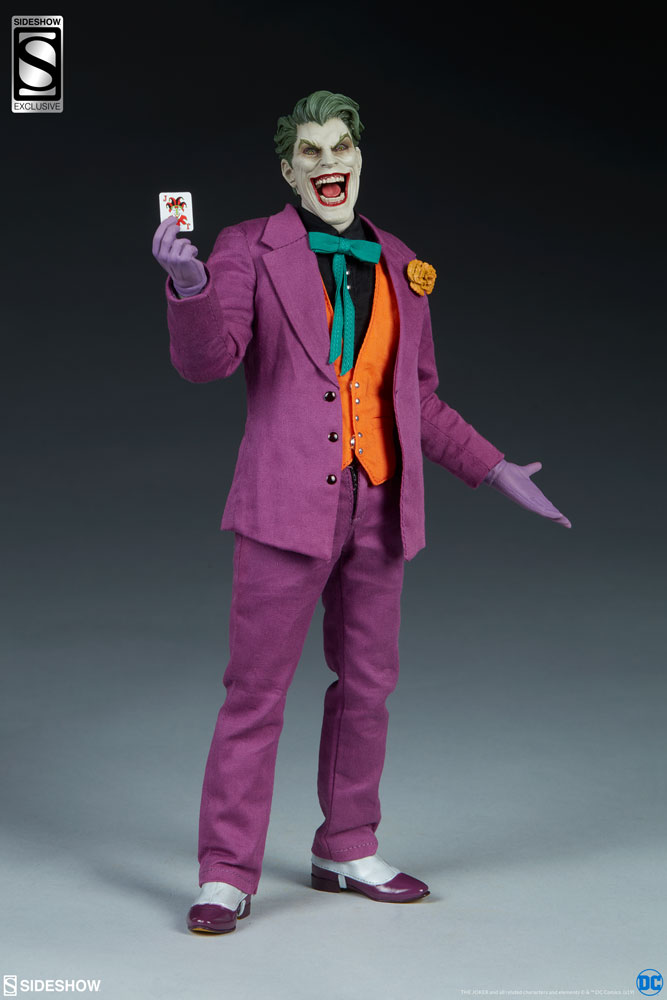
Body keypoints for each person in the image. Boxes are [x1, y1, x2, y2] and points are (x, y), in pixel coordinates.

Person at [152, 90, 570, 935]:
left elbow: (418, 400)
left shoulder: (400, 261)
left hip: (380, 504)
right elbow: (209, 362)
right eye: (309, 151)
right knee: (255, 692)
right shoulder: (247, 247)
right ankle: (225, 871)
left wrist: (492, 468)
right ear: (288, 170)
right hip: (284, 506)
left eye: (339, 146)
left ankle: (346, 843)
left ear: (358, 157)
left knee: (368, 686)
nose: (327, 162)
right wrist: (189, 285)